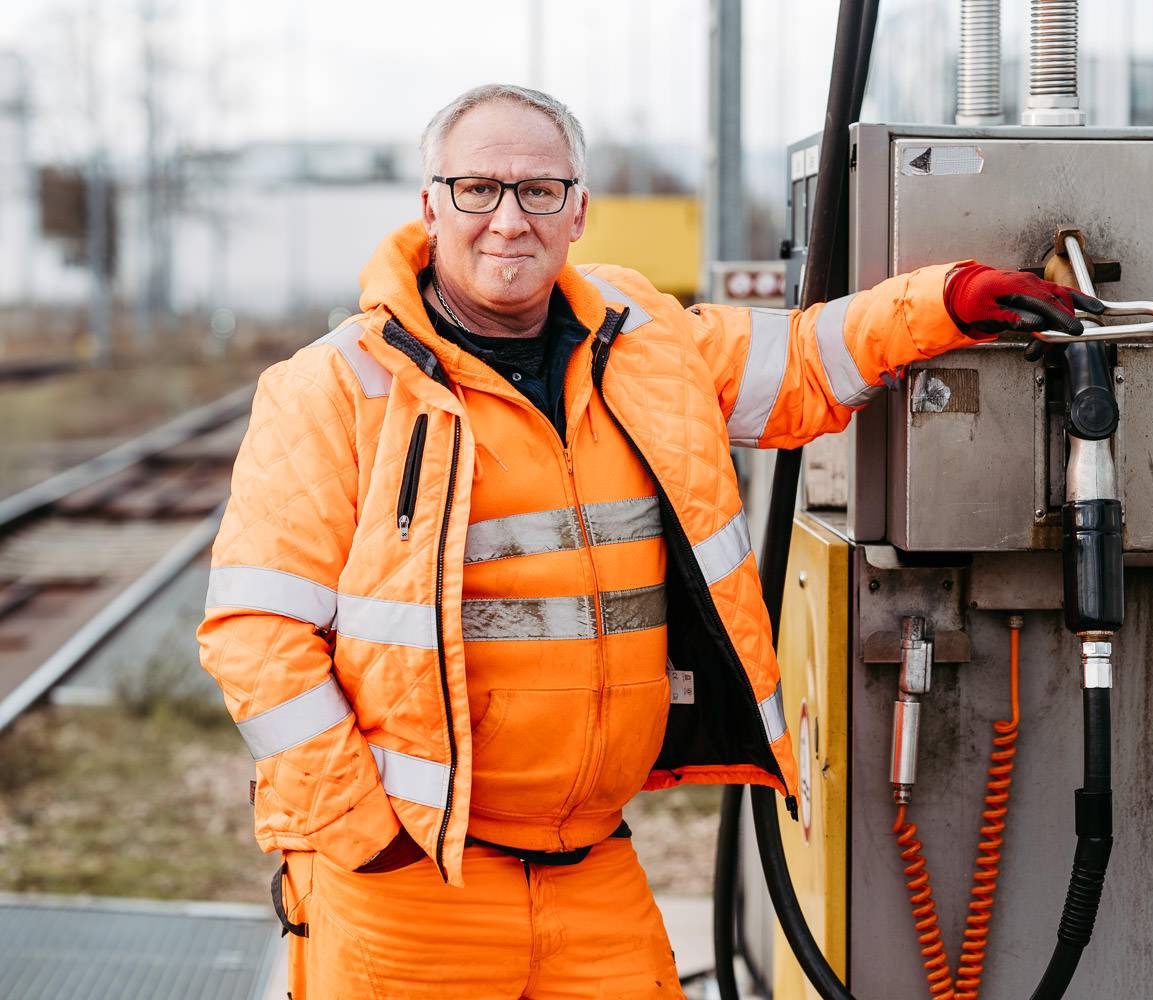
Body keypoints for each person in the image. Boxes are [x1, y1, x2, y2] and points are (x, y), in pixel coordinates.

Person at [197, 83, 1099, 999]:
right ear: (431, 207)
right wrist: (364, 834)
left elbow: (802, 361)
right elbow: (255, 635)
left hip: (591, 868)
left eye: (539, 190)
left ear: (579, 211)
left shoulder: (642, 343)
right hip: (413, 885)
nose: (508, 219)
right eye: (477, 189)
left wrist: (948, 302)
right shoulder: (333, 389)